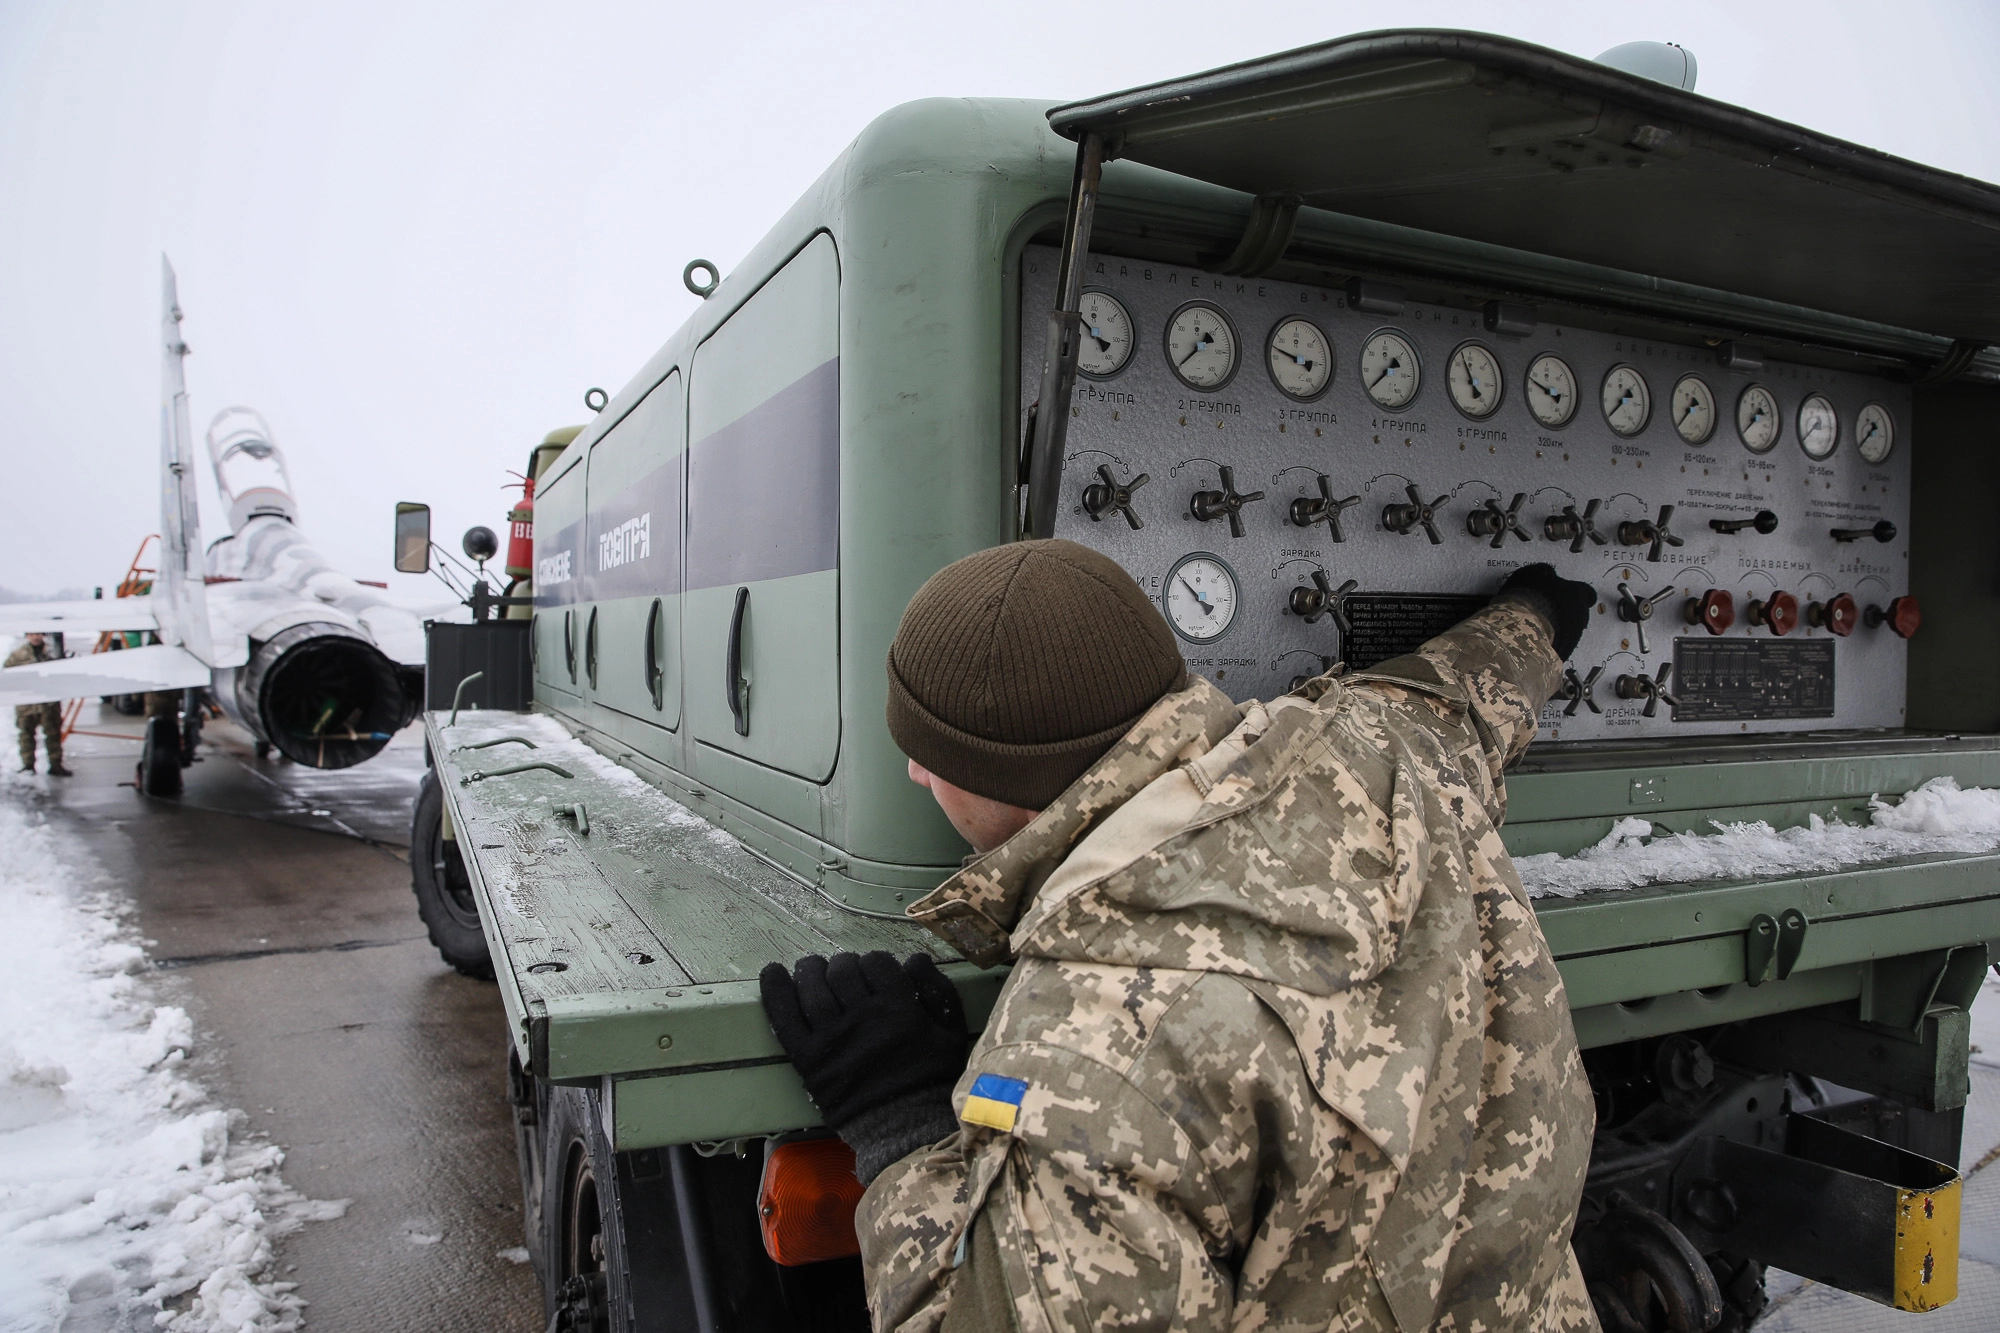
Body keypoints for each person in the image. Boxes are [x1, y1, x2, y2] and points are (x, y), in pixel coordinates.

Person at [761, 539, 1602, 1332]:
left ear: (1000, 781)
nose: (912, 770)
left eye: (926, 751)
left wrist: (902, 1132)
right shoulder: (1382, 747)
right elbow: (1468, 691)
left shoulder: (1091, 1056)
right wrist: (1535, 613)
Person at [8, 632, 73, 776]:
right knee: (26, 735)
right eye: (32, 634)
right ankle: (28, 765)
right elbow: (8, 675)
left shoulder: (52, 653)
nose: (35, 637)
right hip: (26, 704)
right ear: (27, 636)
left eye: (38, 634)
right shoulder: (18, 655)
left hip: (48, 704)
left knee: (53, 734)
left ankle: (56, 764)